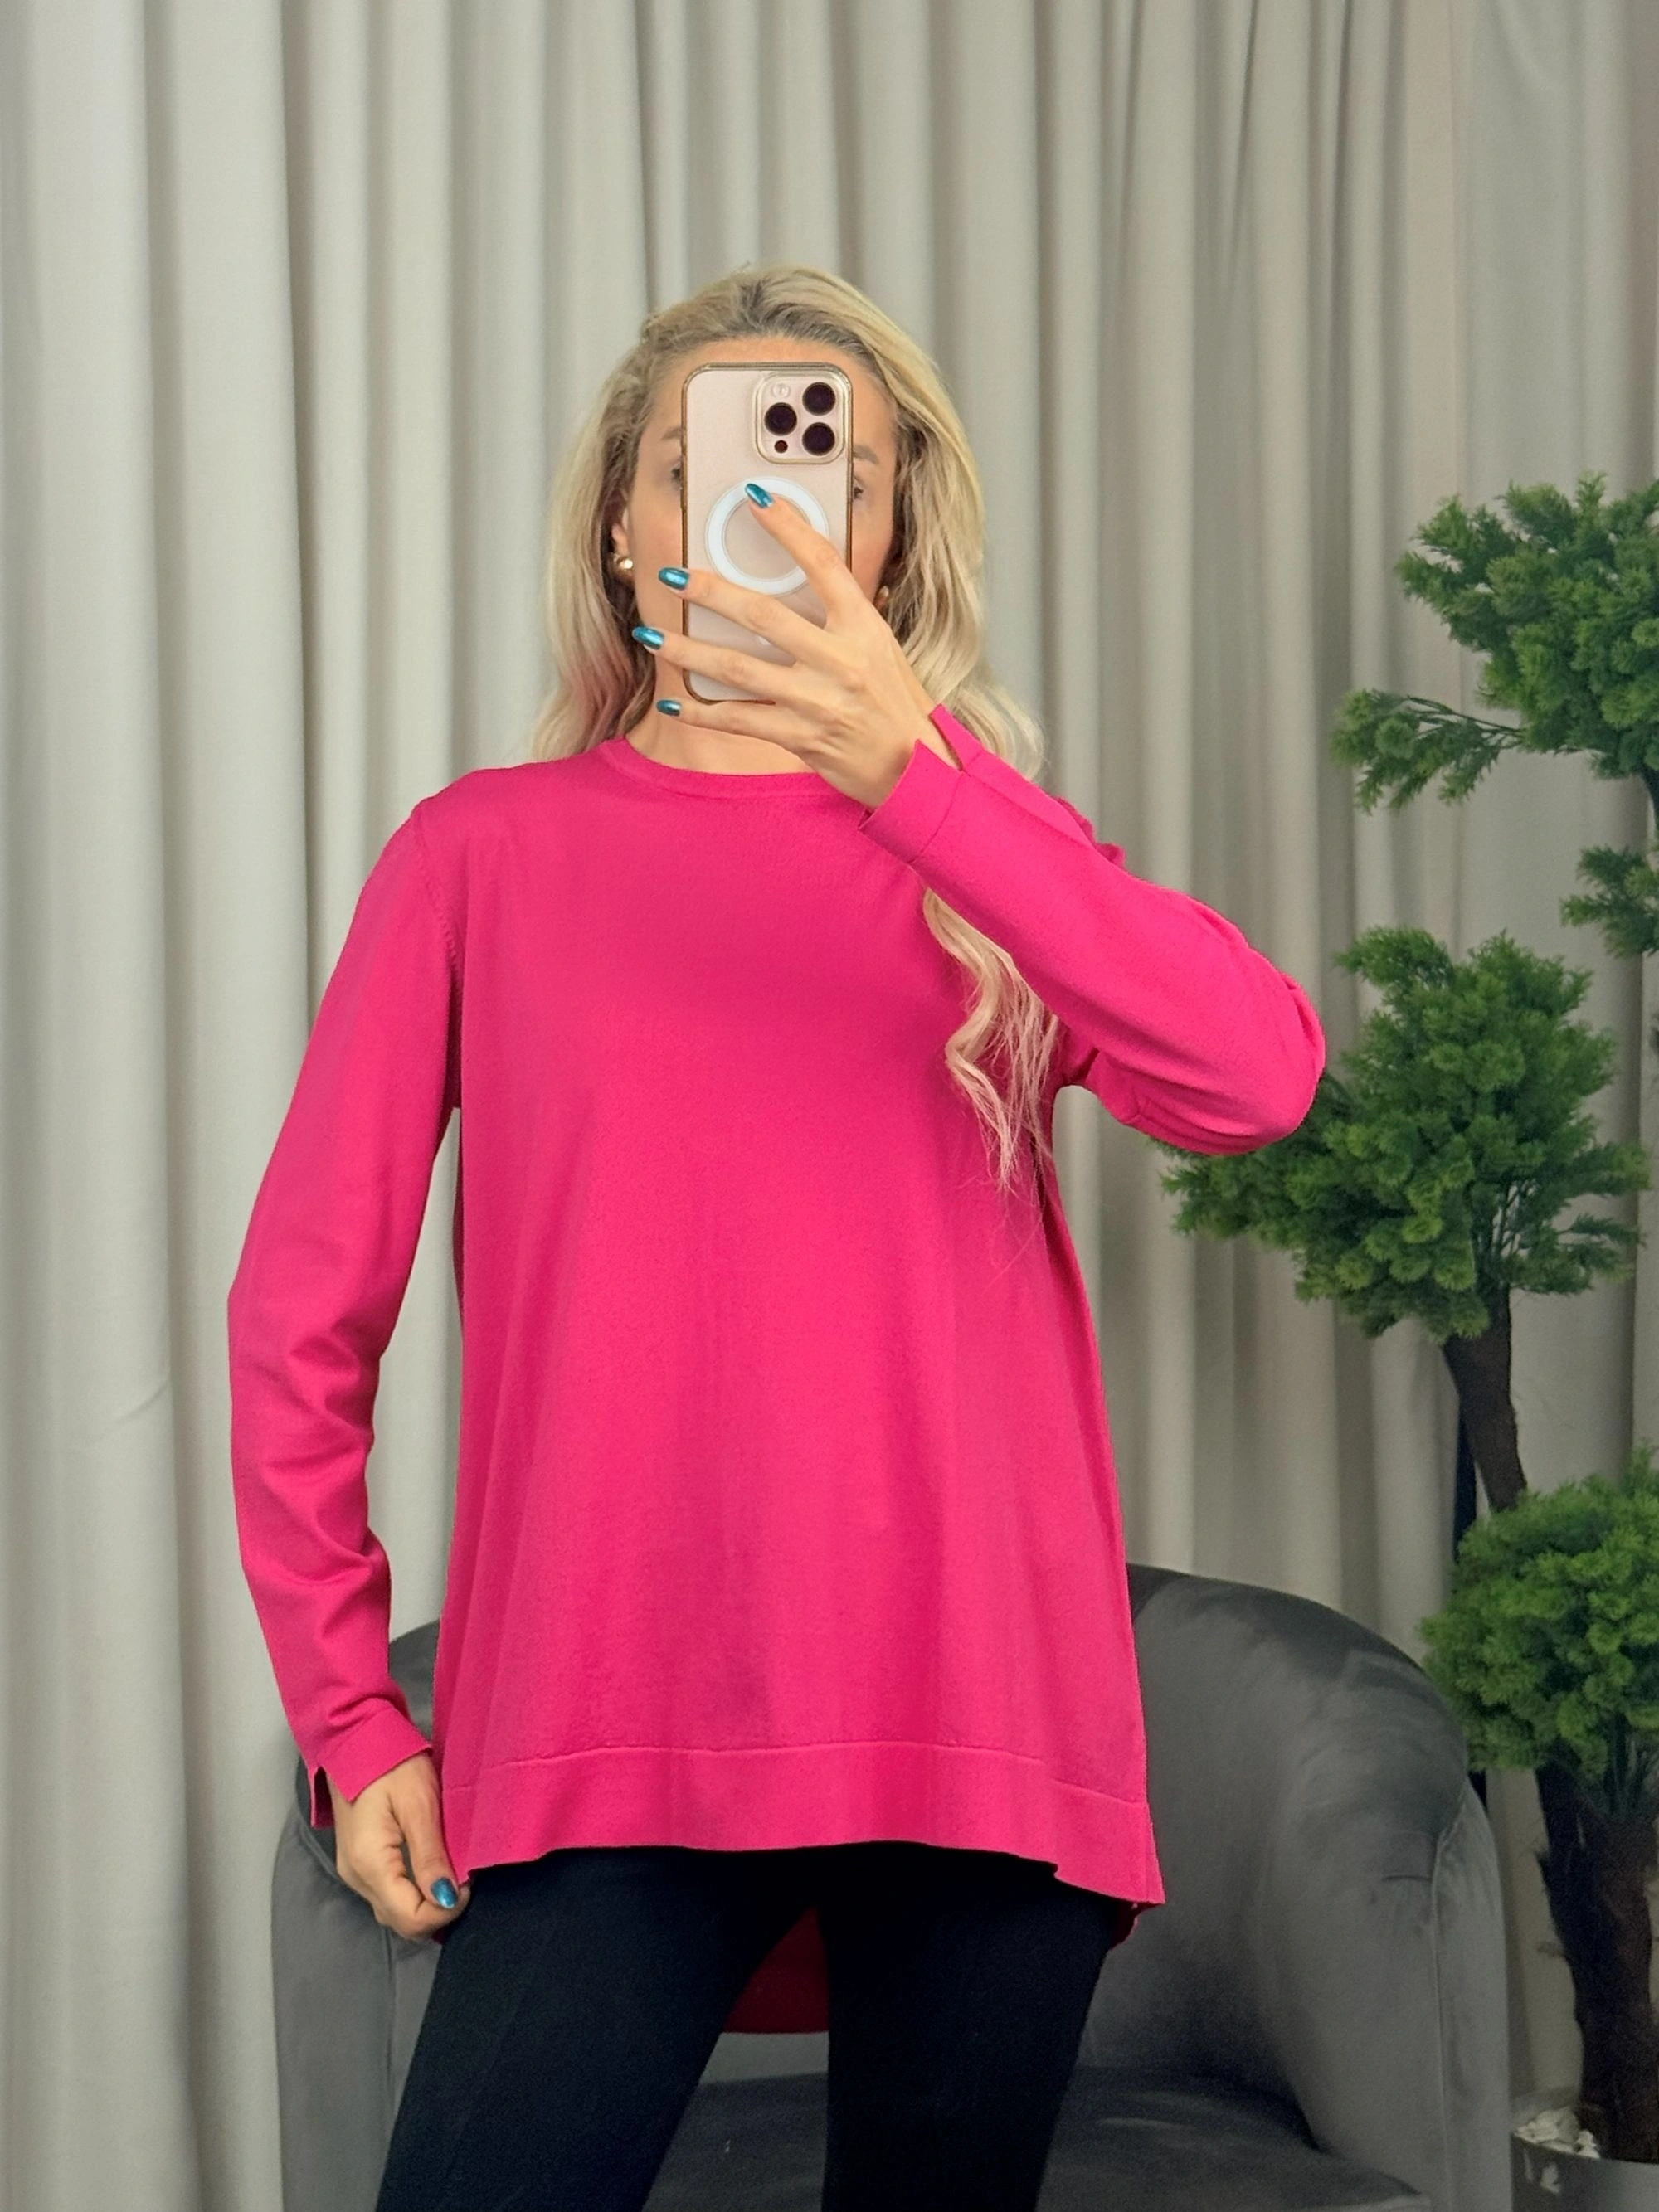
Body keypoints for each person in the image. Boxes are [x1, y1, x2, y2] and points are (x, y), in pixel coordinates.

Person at [227, 260, 1326, 2212]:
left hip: (980, 1725)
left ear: (888, 539)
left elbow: (1256, 1079)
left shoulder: (987, 852)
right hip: (604, 1725)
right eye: (694, 458)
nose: (758, 501)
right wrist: (348, 1708)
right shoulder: (479, 854)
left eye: (837, 470)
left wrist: (925, 783)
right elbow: (302, 1312)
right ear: (620, 521)